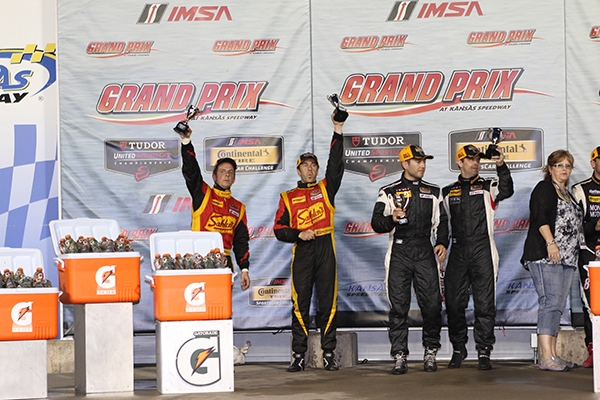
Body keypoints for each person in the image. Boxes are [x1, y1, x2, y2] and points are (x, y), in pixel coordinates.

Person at [274, 110, 346, 372]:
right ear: (298, 169)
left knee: (328, 303)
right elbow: (278, 229)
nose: (310, 169)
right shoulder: (287, 196)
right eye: (305, 165)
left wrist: (338, 130)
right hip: (303, 250)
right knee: (300, 303)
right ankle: (298, 355)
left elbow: (336, 165)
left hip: (326, 247)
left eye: (313, 165)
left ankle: (329, 354)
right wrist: (298, 234)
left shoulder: (326, 189)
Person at [371, 144, 449, 375]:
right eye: (417, 161)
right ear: (405, 164)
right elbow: (376, 223)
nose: (422, 165)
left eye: (424, 161)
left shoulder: (434, 191)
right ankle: (399, 355)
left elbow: (442, 221)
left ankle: (431, 351)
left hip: (424, 250)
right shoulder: (388, 191)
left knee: (432, 305)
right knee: (398, 307)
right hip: (399, 251)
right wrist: (391, 219)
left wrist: (441, 242)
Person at [442, 144, 514, 370]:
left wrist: (500, 165)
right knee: (454, 303)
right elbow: (443, 223)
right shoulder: (447, 191)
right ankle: (458, 348)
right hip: (457, 250)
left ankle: (484, 350)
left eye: (478, 160)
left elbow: (507, 189)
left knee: (484, 303)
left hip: (483, 249)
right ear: (460, 162)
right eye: (471, 159)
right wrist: (441, 243)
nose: (476, 163)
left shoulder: (487, 185)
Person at [521, 150, 583, 371]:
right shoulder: (545, 188)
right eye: (559, 165)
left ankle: (554, 354)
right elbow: (540, 217)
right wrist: (550, 243)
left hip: (567, 258)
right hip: (546, 255)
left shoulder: (569, 194)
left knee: (557, 305)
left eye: (568, 165)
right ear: (550, 168)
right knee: (550, 302)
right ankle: (546, 357)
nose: (564, 169)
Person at [178, 125, 250, 291]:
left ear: (234, 178)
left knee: (222, 304)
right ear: (214, 176)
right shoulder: (203, 194)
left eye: (230, 172)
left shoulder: (239, 208)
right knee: (198, 302)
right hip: (199, 258)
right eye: (222, 171)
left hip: (224, 262)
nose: (227, 174)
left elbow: (241, 242)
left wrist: (244, 269)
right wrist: (186, 142)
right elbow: (191, 171)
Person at [571, 146, 600, 368]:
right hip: (590, 252)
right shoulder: (580, 190)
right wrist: (594, 226)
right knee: (592, 303)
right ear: (593, 163)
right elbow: (574, 225)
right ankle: (593, 349)